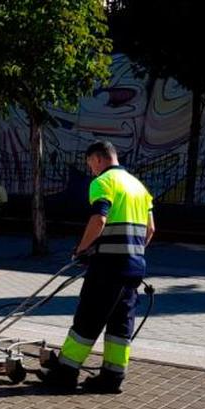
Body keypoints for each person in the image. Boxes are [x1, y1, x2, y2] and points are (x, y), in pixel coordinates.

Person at [40, 140, 154, 394]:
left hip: (108, 268)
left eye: (90, 163)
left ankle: (65, 373)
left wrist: (81, 249)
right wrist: (131, 250)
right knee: (120, 324)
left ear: (98, 159)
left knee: (88, 317)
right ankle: (112, 377)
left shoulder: (103, 183)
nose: (90, 169)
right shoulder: (138, 186)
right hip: (134, 268)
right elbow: (150, 229)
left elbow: (99, 218)